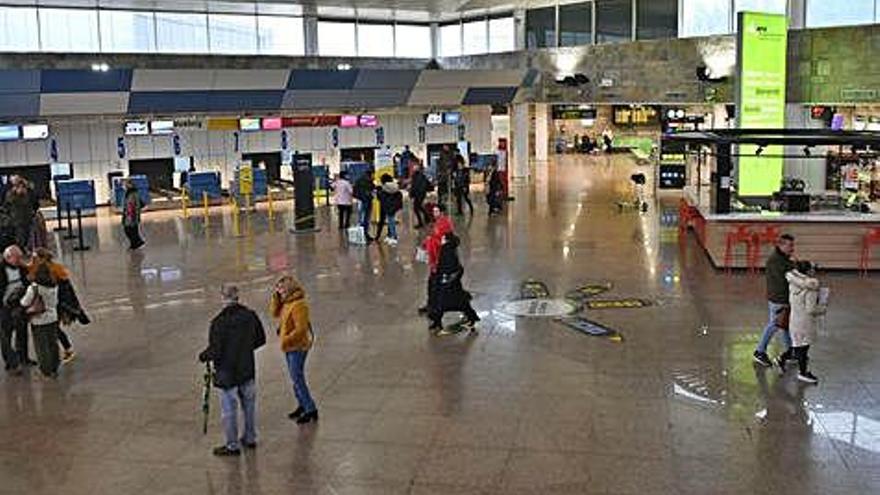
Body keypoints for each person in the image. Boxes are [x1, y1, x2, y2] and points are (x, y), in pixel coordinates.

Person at [198, 284, 266, 456]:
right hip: (247, 368)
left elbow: (215, 350)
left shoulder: (219, 323)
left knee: (229, 410)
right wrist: (245, 350)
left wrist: (203, 356)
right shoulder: (250, 316)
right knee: (249, 406)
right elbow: (261, 339)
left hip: (226, 372)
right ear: (237, 297)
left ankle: (232, 445)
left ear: (222, 298)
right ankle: (250, 438)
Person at [270, 275, 318, 425]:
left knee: (298, 378)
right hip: (289, 347)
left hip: (297, 347)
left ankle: (310, 409)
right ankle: (302, 404)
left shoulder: (299, 305)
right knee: (295, 378)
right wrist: (275, 297)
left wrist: (285, 339)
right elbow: (274, 313)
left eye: (281, 289)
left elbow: (301, 329)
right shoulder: (286, 302)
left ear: (289, 289)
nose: (279, 291)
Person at [29, 248, 88, 364]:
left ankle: (67, 349)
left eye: (35, 258)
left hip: (55, 304)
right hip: (55, 303)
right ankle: (64, 350)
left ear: (41, 258)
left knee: (54, 328)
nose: (33, 260)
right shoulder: (55, 268)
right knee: (54, 328)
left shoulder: (48, 270)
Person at [754, 234, 797, 368]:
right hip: (779, 298)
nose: (792, 248)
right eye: (789, 246)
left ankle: (790, 351)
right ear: (781, 245)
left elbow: (790, 266)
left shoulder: (782, 258)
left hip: (780, 297)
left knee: (785, 325)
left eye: (792, 245)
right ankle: (760, 351)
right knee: (775, 324)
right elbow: (784, 279)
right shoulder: (776, 261)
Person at [428, 231, 480, 333]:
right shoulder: (451, 249)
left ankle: (437, 323)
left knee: (441, 303)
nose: (441, 240)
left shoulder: (446, 250)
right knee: (458, 303)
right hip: (452, 283)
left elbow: (445, 267)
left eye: (443, 238)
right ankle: (471, 318)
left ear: (447, 240)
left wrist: (439, 276)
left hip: (448, 283)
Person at [785, 261, 826, 384]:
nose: (814, 271)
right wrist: (823, 308)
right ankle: (803, 373)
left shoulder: (793, 283)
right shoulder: (812, 288)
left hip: (794, 319)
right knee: (804, 348)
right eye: (812, 269)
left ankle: (782, 359)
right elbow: (811, 309)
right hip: (805, 322)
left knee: (796, 344)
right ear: (808, 271)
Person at [20, 262, 60, 378]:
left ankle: (46, 370)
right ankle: (55, 366)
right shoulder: (54, 285)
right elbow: (56, 302)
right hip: (53, 318)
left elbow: (24, 302)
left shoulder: (34, 288)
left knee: (42, 346)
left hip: (38, 320)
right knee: (53, 344)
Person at [418, 205, 454, 316]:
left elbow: (443, 241)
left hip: (440, 259)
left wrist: (430, 241)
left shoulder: (445, 224)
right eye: (433, 211)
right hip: (436, 259)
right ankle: (432, 304)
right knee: (432, 283)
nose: (434, 213)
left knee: (434, 284)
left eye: (436, 211)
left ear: (442, 212)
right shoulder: (438, 222)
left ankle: (434, 306)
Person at [0, 245, 30, 374]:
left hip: (19, 305)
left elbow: (28, 283)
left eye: (20, 258)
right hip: (4, 307)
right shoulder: (1, 270)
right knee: (6, 335)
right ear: (7, 258)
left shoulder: (22, 268)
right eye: (16, 258)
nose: (19, 260)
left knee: (22, 331)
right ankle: (11, 363)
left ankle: (23, 357)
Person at [376, 174, 403, 246]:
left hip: (387, 206)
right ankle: (390, 235)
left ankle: (394, 237)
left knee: (391, 222)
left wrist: (378, 191)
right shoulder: (395, 186)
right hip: (394, 206)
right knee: (391, 221)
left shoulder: (384, 188)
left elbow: (380, 197)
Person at [353, 169, 376, 243]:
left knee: (364, 219)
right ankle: (363, 235)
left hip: (364, 201)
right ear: (370, 174)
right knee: (364, 219)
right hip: (365, 202)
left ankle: (364, 235)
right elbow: (369, 191)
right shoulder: (366, 181)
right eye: (373, 174)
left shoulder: (362, 180)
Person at [122, 179, 145, 250]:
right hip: (130, 214)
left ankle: (138, 243)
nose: (123, 186)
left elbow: (131, 205)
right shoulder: (130, 192)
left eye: (124, 184)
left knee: (129, 229)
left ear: (129, 185)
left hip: (131, 215)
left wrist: (131, 214)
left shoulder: (132, 193)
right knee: (132, 230)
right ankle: (134, 244)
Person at [409, 162, 431, 229]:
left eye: (414, 168)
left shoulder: (416, 176)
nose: (413, 168)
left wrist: (411, 193)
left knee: (416, 208)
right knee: (419, 207)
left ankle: (421, 222)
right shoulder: (421, 175)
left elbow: (414, 186)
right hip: (421, 194)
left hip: (418, 194)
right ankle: (427, 217)